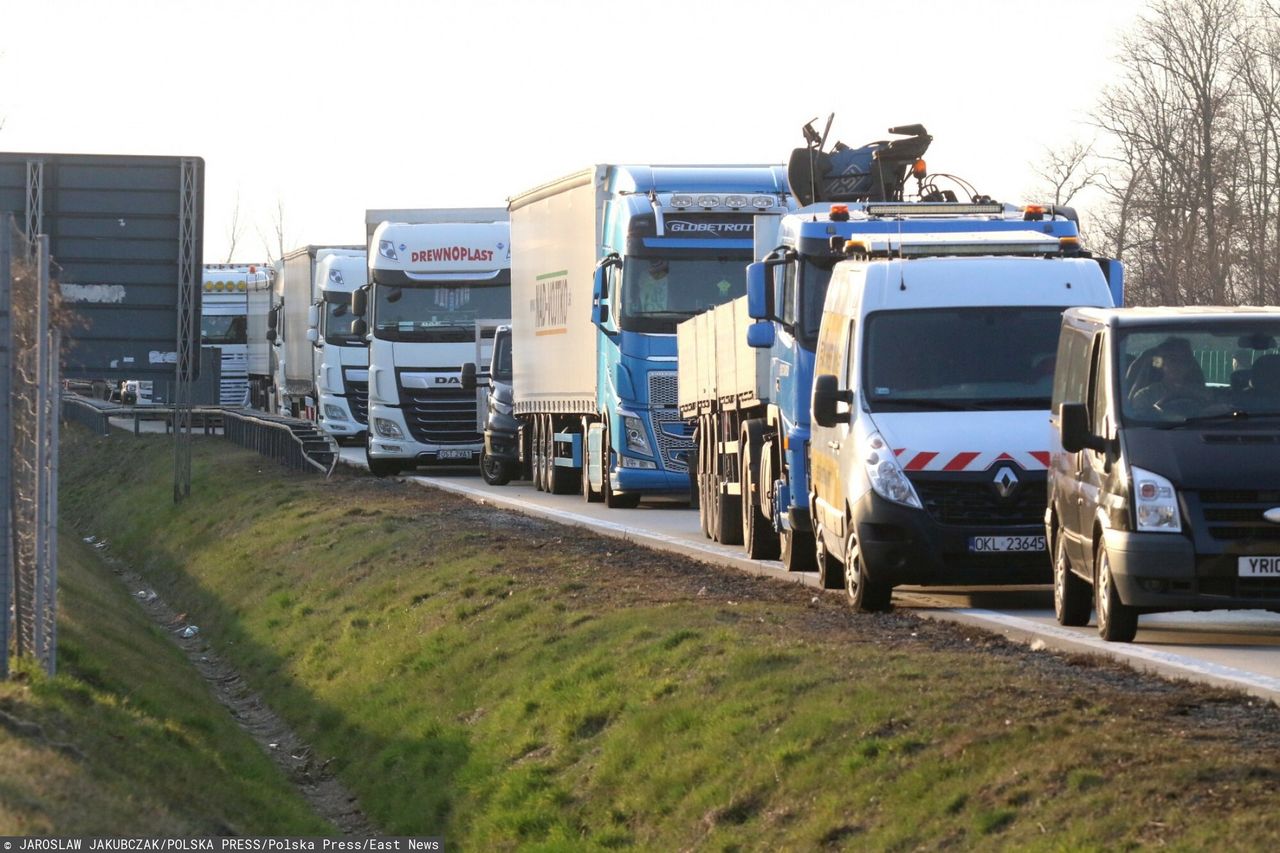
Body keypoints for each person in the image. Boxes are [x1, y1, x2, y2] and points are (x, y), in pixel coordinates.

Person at [1130, 337, 1210, 412]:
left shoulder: (1200, 393)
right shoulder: (1145, 395)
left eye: (1184, 360)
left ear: (1189, 365)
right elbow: (1139, 420)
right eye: (1173, 359)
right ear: (1161, 364)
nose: (1179, 364)